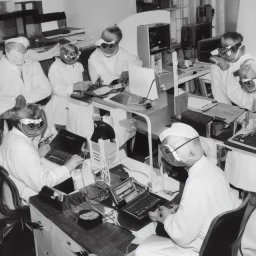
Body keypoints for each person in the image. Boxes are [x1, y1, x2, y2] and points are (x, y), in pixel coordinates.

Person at [135, 123, 240, 256]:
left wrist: (166, 218)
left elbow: (182, 236)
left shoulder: (196, 183)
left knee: (142, 250)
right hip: (220, 242)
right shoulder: (213, 169)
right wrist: (178, 213)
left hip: (200, 248)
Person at [0, 97, 83, 204]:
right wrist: (68, 167)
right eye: (32, 125)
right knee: (75, 189)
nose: (38, 129)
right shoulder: (22, 148)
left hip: (17, 190)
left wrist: (37, 153)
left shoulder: (11, 136)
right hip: (28, 198)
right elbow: (43, 183)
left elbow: (22, 162)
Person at [0, 36, 56, 137]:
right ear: (7, 52)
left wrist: (25, 99)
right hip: (10, 120)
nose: (21, 58)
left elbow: (47, 89)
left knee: (45, 140)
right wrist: (15, 102)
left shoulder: (33, 64)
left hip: (36, 115)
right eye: (16, 55)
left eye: (23, 53)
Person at [211, 31, 256, 111]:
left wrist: (225, 70)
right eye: (223, 48)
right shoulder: (222, 65)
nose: (225, 53)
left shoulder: (249, 66)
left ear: (242, 49)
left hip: (250, 107)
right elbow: (219, 93)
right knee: (215, 68)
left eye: (229, 50)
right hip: (230, 108)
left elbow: (245, 98)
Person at [48, 43, 92, 126]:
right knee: (65, 126)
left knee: (81, 124)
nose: (73, 61)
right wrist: (73, 87)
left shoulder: (78, 65)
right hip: (62, 102)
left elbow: (81, 80)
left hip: (77, 100)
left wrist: (86, 85)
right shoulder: (55, 68)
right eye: (69, 58)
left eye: (75, 58)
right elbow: (56, 89)